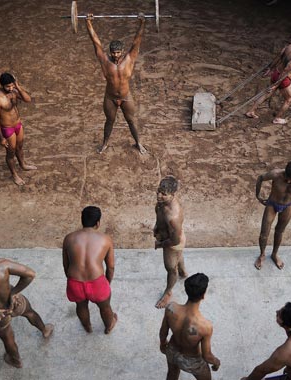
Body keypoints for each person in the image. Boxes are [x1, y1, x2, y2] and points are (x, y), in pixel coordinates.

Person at [86, 13, 147, 154]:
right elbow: (95, 41)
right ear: (110, 52)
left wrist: (142, 23)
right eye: (113, 53)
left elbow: (137, 40)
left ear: (122, 52)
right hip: (110, 98)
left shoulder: (129, 59)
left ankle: (138, 143)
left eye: (118, 52)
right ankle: (105, 143)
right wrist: (88, 23)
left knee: (131, 120)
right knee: (109, 121)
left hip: (126, 97)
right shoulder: (105, 61)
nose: (116, 55)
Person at [62, 206, 117, 334]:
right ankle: (109, 326)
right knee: (105, 307)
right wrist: (107, 282)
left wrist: (71, 280)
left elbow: (66, 264)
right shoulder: (106, 239)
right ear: (98, 223)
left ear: (82, 220)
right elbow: (111, 267)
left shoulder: (69, 238)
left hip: (75, 281)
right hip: (97, 282)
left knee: (81, 306)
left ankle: (87, 327)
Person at [159, 273, 221, 380]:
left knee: (172, 375)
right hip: (192, 360)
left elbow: (163, 332)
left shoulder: (171, 308)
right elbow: (207, 356)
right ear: (203, 295)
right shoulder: (205, 327)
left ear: (186, 290)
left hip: (172, 351)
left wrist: (163, 344)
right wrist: (216, 362)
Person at [255, 161, 291, 270]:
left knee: (279, 231)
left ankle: (274, 254)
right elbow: (260, 178)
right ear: (285, 171)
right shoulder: (275, 174)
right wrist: (258, 195)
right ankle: (262, 255)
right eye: (286, 178)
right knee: (264, 234)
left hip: (288, 205)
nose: (288, 181)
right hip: (272, 204)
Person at [245, 39, 291, 124]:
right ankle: (277, 118)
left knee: (267, 93)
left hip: (276, 73)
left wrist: (271, 69)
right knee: (289, 99)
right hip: (283, 79)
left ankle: (251, 111)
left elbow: (279, 56)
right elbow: (286, 71)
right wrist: (276, 84)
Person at [0, 72, 38, 186]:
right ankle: (14, 175)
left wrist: (18, 86)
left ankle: (22, 164)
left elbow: (28, 99)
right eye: (8, 86)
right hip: (7, 128)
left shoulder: (14, 91)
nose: (10, 88)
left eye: (12, 85)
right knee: (10, 153)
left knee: (20, 147)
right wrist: (1, 138)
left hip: (18, 124)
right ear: (2, 85)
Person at [154, 175, 187, 309]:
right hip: (169, 236)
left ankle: (168, 293)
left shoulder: (173, 216)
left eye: (164, 194)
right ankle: (184, 272)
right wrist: (156, 227)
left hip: (173, 243)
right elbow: (159, 216)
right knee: (178, 257)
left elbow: (175, 240)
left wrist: (160, 244)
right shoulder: (162, 203)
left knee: (170, 269)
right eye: (158, 191)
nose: (159, 196)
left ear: (173, 195)